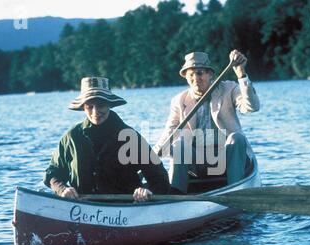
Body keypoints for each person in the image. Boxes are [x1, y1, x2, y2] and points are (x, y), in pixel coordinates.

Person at [44, 76, 170, 201]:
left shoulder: (130, 137)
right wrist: (62, 189)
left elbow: (159, 177)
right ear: (83, 107)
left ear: (109, 104)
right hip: (81, 208)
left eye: (101, 105)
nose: (95, 112)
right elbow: (53, 173)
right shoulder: (72, 137)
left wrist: (148, 192)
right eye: (90, 106)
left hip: (126, 209)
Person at [154, 50, 260, 194]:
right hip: (197, 164)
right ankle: (175, 196)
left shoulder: (229, 88)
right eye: (191, 74)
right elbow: (169, 131)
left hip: (227, 158)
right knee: (178, 145)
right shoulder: (179, 100)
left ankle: (236, 192)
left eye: (200, 73)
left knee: (237, 138)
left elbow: (252, 107)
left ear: (210, 74)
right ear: (186, 77)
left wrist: (241, 74)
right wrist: (151, 158)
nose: (196, 78)